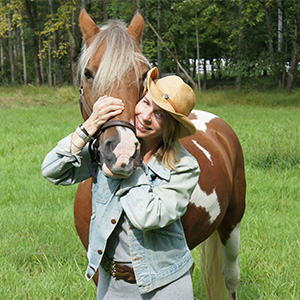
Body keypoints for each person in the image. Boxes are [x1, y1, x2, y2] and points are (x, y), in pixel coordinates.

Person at [42, 67, 200, 299]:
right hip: (112, 283)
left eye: (160, 115)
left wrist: (127, 170)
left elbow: (147, 217)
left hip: (165, 284)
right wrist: (89, 127)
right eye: (145, 103)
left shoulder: (184, 165)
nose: (146, 116)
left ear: (172, 126)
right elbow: (52, 170)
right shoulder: (109, 148)